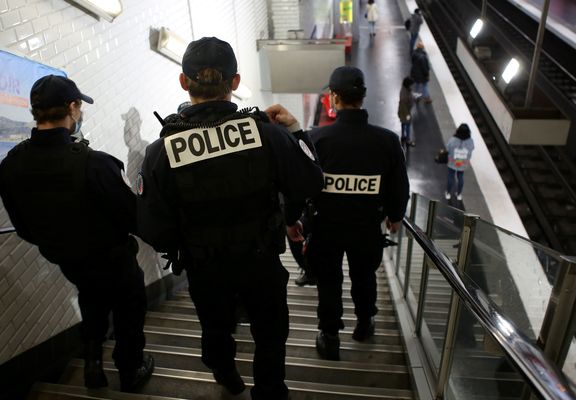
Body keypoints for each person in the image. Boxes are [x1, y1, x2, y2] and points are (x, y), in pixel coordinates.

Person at [137, 37, 323, 400]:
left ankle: (225, 374)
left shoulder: (162, 152)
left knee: (216, 327)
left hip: (206, 268)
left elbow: (152, 228)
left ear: (183, 82)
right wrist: (297, 131)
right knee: (270, 331)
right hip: (261, 262)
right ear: (235, 83)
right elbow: (311, 180)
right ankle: (269, 390)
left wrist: (187, 244)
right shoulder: (266, 135)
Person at [0, 75, 153, 392]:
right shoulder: (94, 163)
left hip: (68, 261)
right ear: (72, 108)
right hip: (113, 260)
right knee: (129, 308)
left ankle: (93, 366)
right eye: (79, 106)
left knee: (91, 300)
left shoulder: (11, 163)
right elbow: (132, 217)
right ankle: (130, 369)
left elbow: (23, 225)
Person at [290, 66, 410, 361]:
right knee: (364, 276)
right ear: (363, 97)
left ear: (333, 97)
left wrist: (292, 219)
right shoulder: (387, 141)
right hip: (367, 228)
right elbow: (399, 185)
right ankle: (365, 323)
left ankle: (330, 335)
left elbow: (299, 184)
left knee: (329, 281)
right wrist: (395, 216)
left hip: (325, 228)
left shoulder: (317, 139)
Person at [445, 123, 475, 201]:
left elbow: (448, 148)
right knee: (460, 177)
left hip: (452, 161)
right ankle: (458, 194)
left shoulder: (453, 139)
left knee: (451, 177)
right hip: (462, 163)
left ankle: (448, 193)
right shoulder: (470, 141)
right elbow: (471, 149)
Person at [397, 76, 416, 146]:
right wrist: (408, 115)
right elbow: (405, 104)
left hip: (403, 112)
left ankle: (403, 136)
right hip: (406, 113)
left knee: (403, 123)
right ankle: (408, 140)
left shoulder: (405, 89)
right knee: (408, 124)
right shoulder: (404, 94)